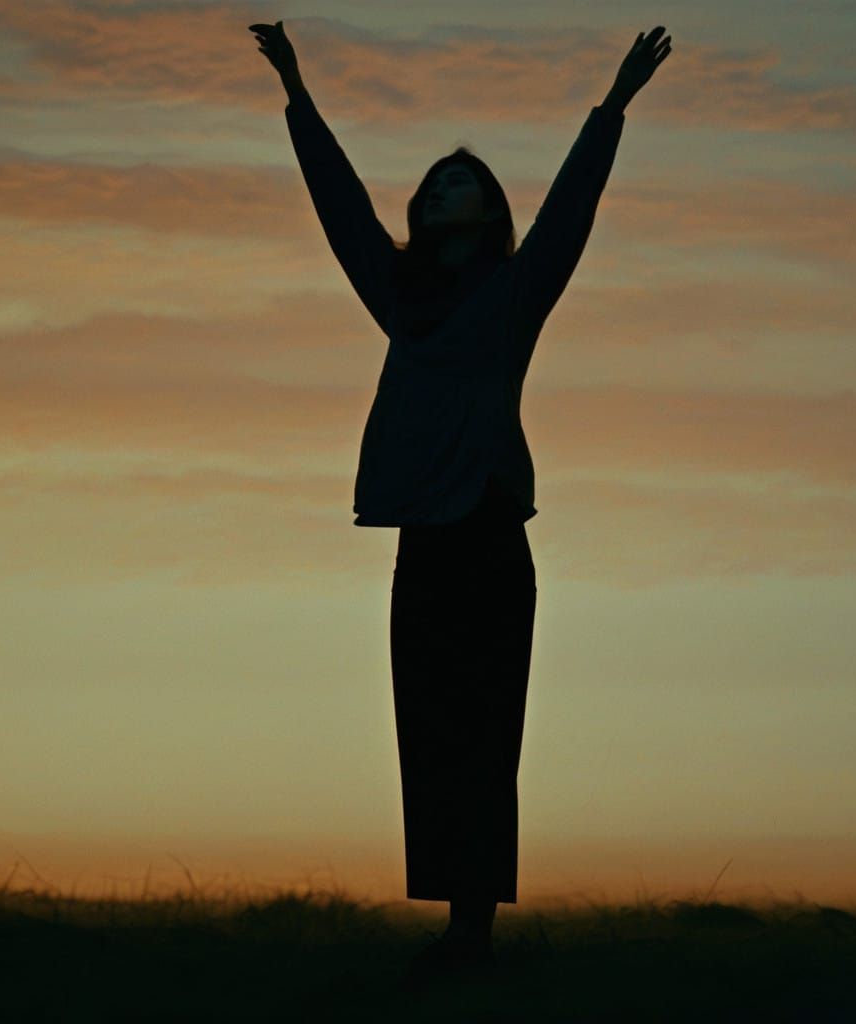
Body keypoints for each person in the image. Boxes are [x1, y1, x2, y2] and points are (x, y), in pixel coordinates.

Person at [248, 18, 672, 988]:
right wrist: (298, 94)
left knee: (486, 733)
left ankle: (475, 931)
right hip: (421, 541)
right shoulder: (398, 298)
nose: (451, 190)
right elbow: (341, 209)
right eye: (438, 183)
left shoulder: (517, 292)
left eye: (465, 182)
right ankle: (454, 925)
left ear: (488, 210)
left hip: (486, 529)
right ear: (424, 210)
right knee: (428, 730)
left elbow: (571, 209)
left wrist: (612, 106)